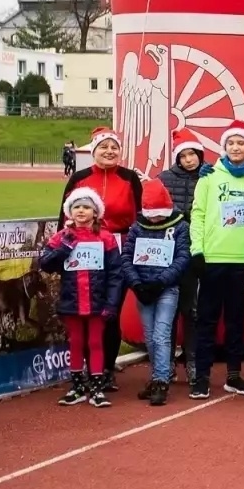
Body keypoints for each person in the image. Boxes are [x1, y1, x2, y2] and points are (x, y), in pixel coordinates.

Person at [59, 126, 143, 393]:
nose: (109, 151)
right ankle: (83, 369)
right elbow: (64, 218)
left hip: (119, 246)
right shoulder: (80, 177)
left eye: (114, 147)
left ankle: (105, 369)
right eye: (104, 147)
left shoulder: (130, 178)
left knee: (110, 311)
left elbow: (140, 214)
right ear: (94, 151)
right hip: (83, 249)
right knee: (85, 311)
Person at [187, 120, 244, 399]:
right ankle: (202, 377)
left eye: (240, 143)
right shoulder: (208, 176)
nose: (235, 147)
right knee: (206, 320)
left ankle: (234, 375)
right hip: (212, 258)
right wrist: (197, 251)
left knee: (236, 320)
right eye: (230, 143)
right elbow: (197, 214)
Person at [41, 187, 125, 408]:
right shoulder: (62, 237)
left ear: (95, 212)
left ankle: (97, 389)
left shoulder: (105, 238)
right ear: (69, 211)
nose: (81, 211)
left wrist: (112, 303)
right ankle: (77, 387)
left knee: (95, 343)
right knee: (76, 343)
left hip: (98, 303)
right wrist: (65, 247)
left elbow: (116, 273)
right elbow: (46, 264)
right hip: (72, 301)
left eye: (86, 207)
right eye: (76, 206)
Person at [121, 178, 192, 406]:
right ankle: (156, 376)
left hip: (167, 289)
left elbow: (183, 257)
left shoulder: (180, 226)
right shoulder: (137, 227)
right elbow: (126, 257)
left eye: (159, 214)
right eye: (151, 215)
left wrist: (161, 282)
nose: (155, 219)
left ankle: (162, 380)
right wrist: (137, 285)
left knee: (161, 334)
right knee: (150, 336)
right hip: (143, 289)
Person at [157, 128, 208, 382]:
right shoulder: (164, 178)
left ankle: (192, 361)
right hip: (168, 251)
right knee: (168, 309)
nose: (189, 159)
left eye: (193, 154)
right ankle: (165, 364)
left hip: (196, 250)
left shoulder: (209, 176)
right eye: (184, 155)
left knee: (192, 309)